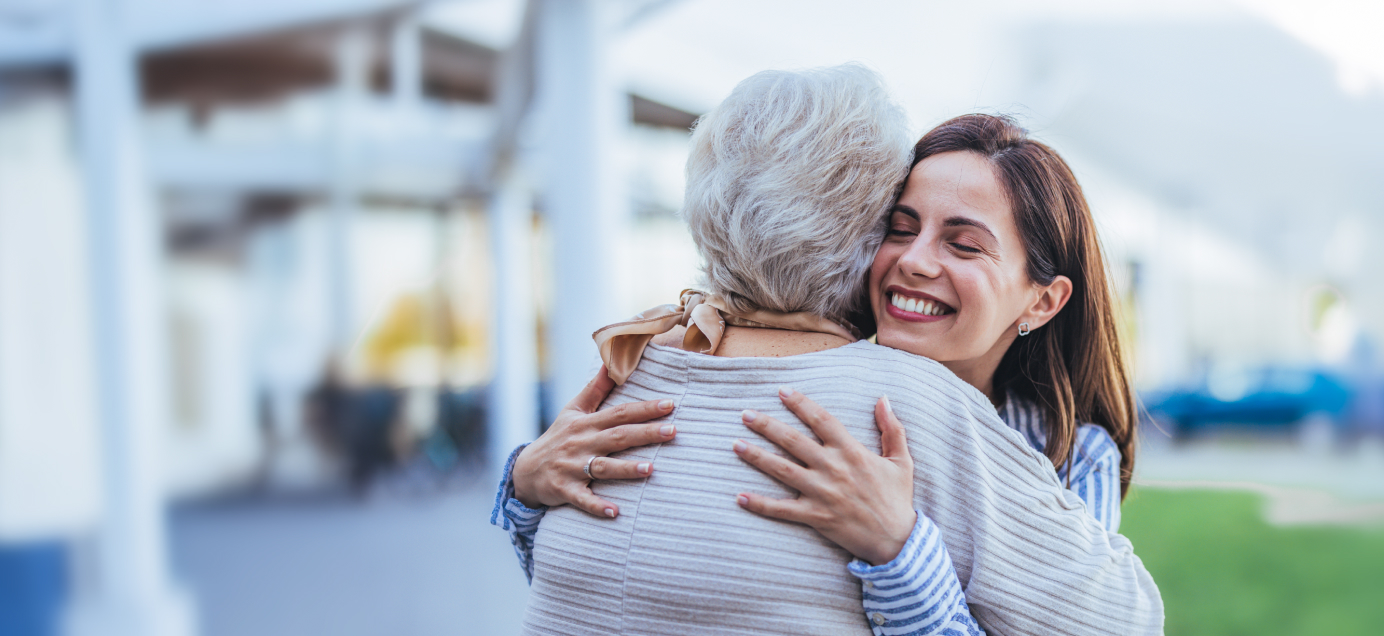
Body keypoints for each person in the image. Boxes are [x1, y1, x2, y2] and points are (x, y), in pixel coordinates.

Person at [492, 65, 1162, 635]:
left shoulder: (1064, 449)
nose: (915, 261)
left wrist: (901, 551)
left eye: (963, 244)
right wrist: (525, 487)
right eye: (897, 228)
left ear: (1043, 300)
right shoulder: (828, 385)